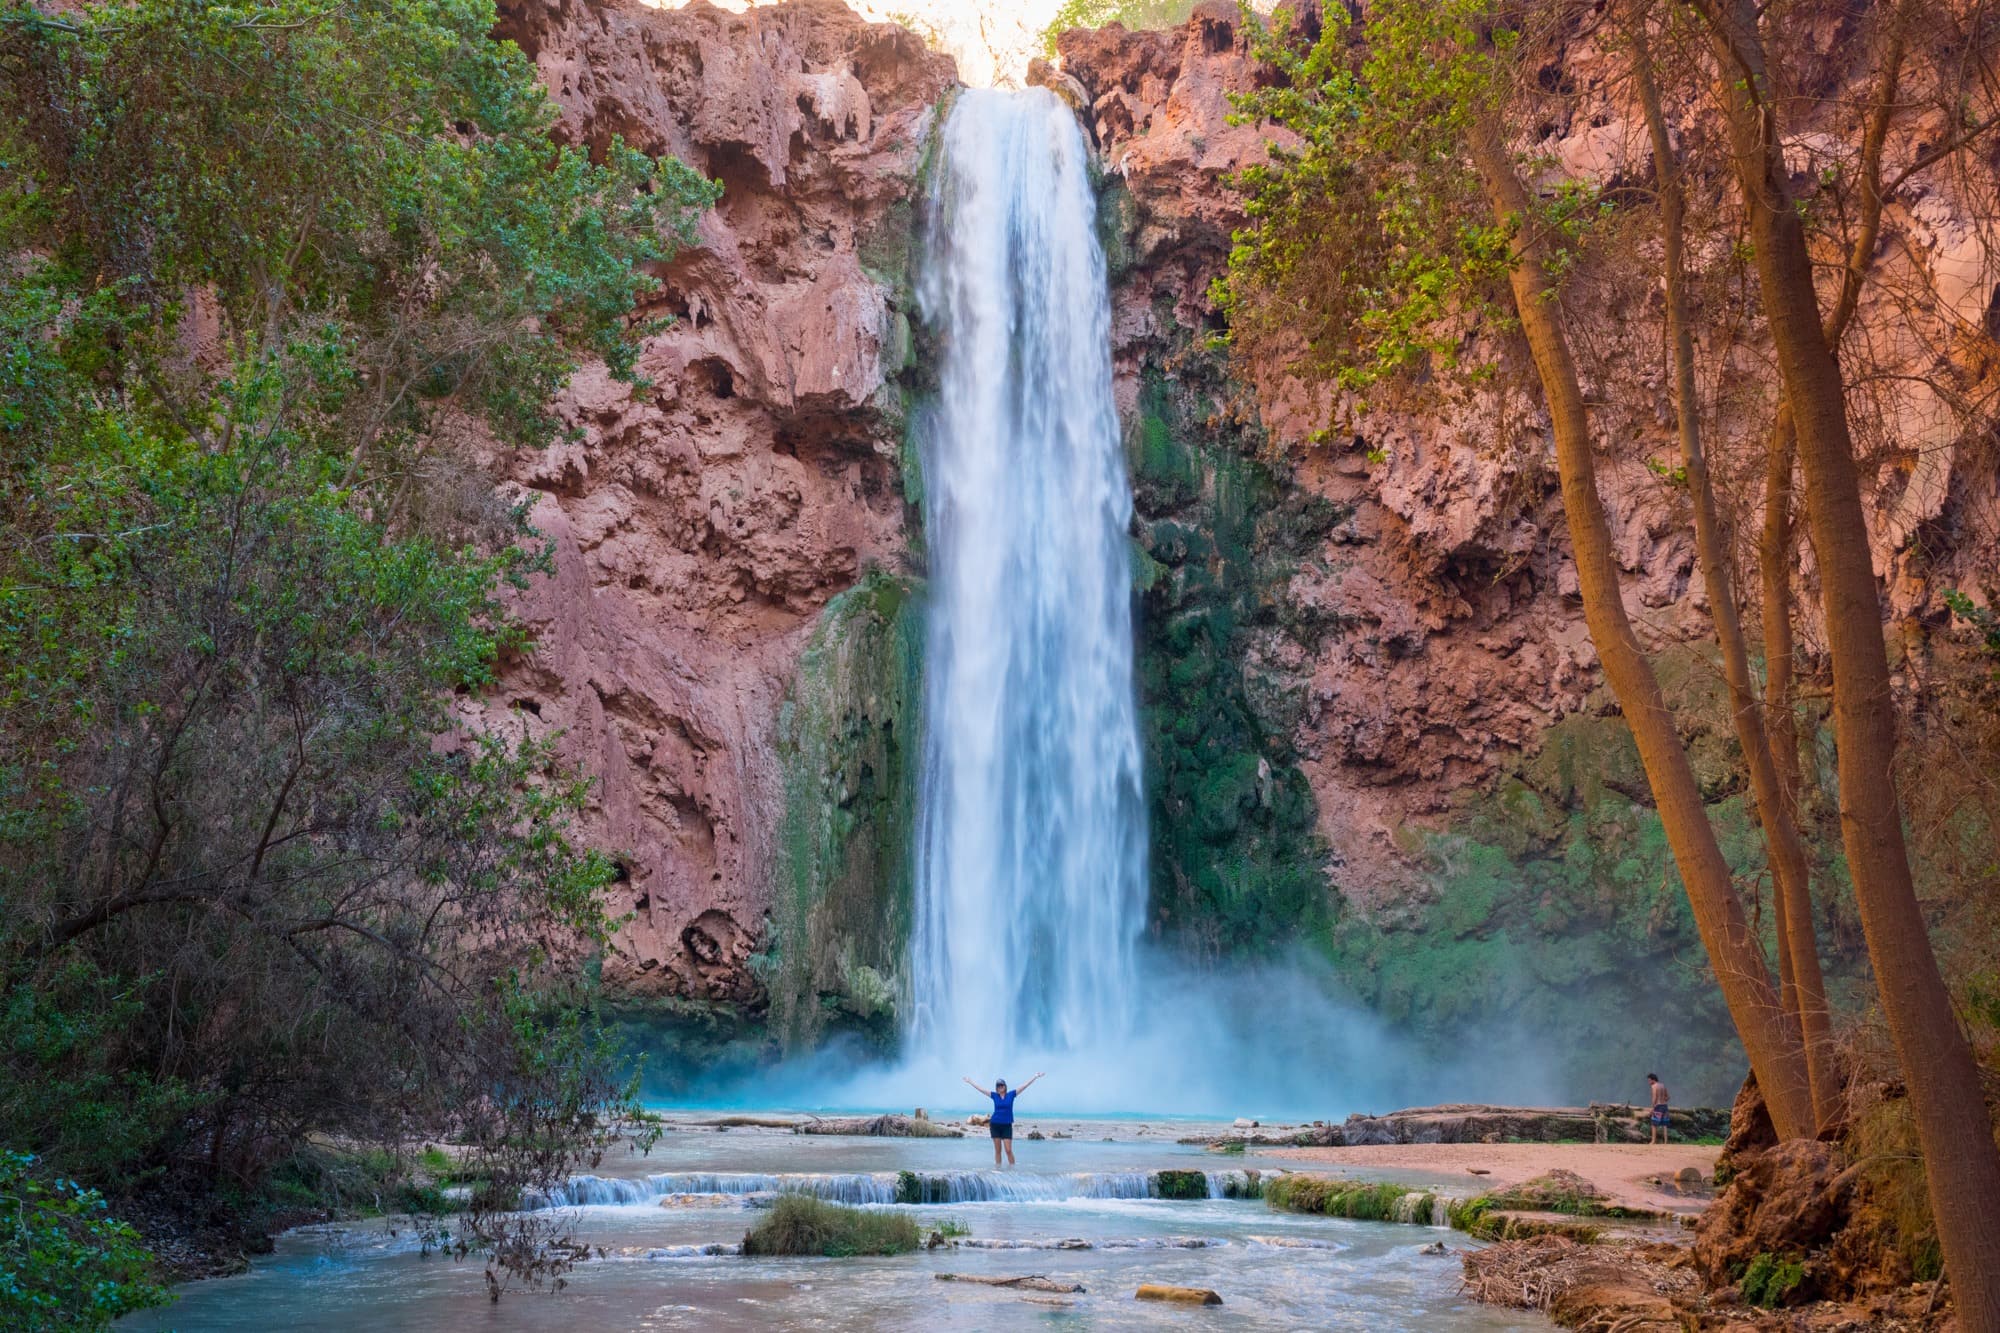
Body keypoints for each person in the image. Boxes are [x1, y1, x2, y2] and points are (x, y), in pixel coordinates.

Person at [963, 1071, 1044, 1167]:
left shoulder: (1011, 1094)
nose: (1000, 1087)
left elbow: (1024, 1086)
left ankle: (1013, 1171)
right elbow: (981, 1089)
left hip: (1007, 1126)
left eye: (1002, 1085)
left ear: (1005, 1086)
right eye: (998, 1086)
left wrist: (1035, 1077)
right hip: (995, 1125)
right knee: (998, 1151)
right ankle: (998, 1171)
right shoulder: (994, 1096)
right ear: (996, 1088)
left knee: (1008, 1150)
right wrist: (970, 1082)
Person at [1647, 1073, 1671, 1144]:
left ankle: (1653, 1141)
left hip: (1658, 1106)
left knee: (1653, 1124)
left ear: (1652, 1080)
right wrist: (1663, 1100)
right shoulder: (1662, 1085)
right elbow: (1668, 1097)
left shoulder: (1654, 1086)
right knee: (1664, 1124)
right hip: (1665, 1106)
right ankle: (1666, 1141)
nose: (1648, 1082)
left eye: (1649, 1080)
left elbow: (1654, 1098)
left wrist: (1653, 1107)